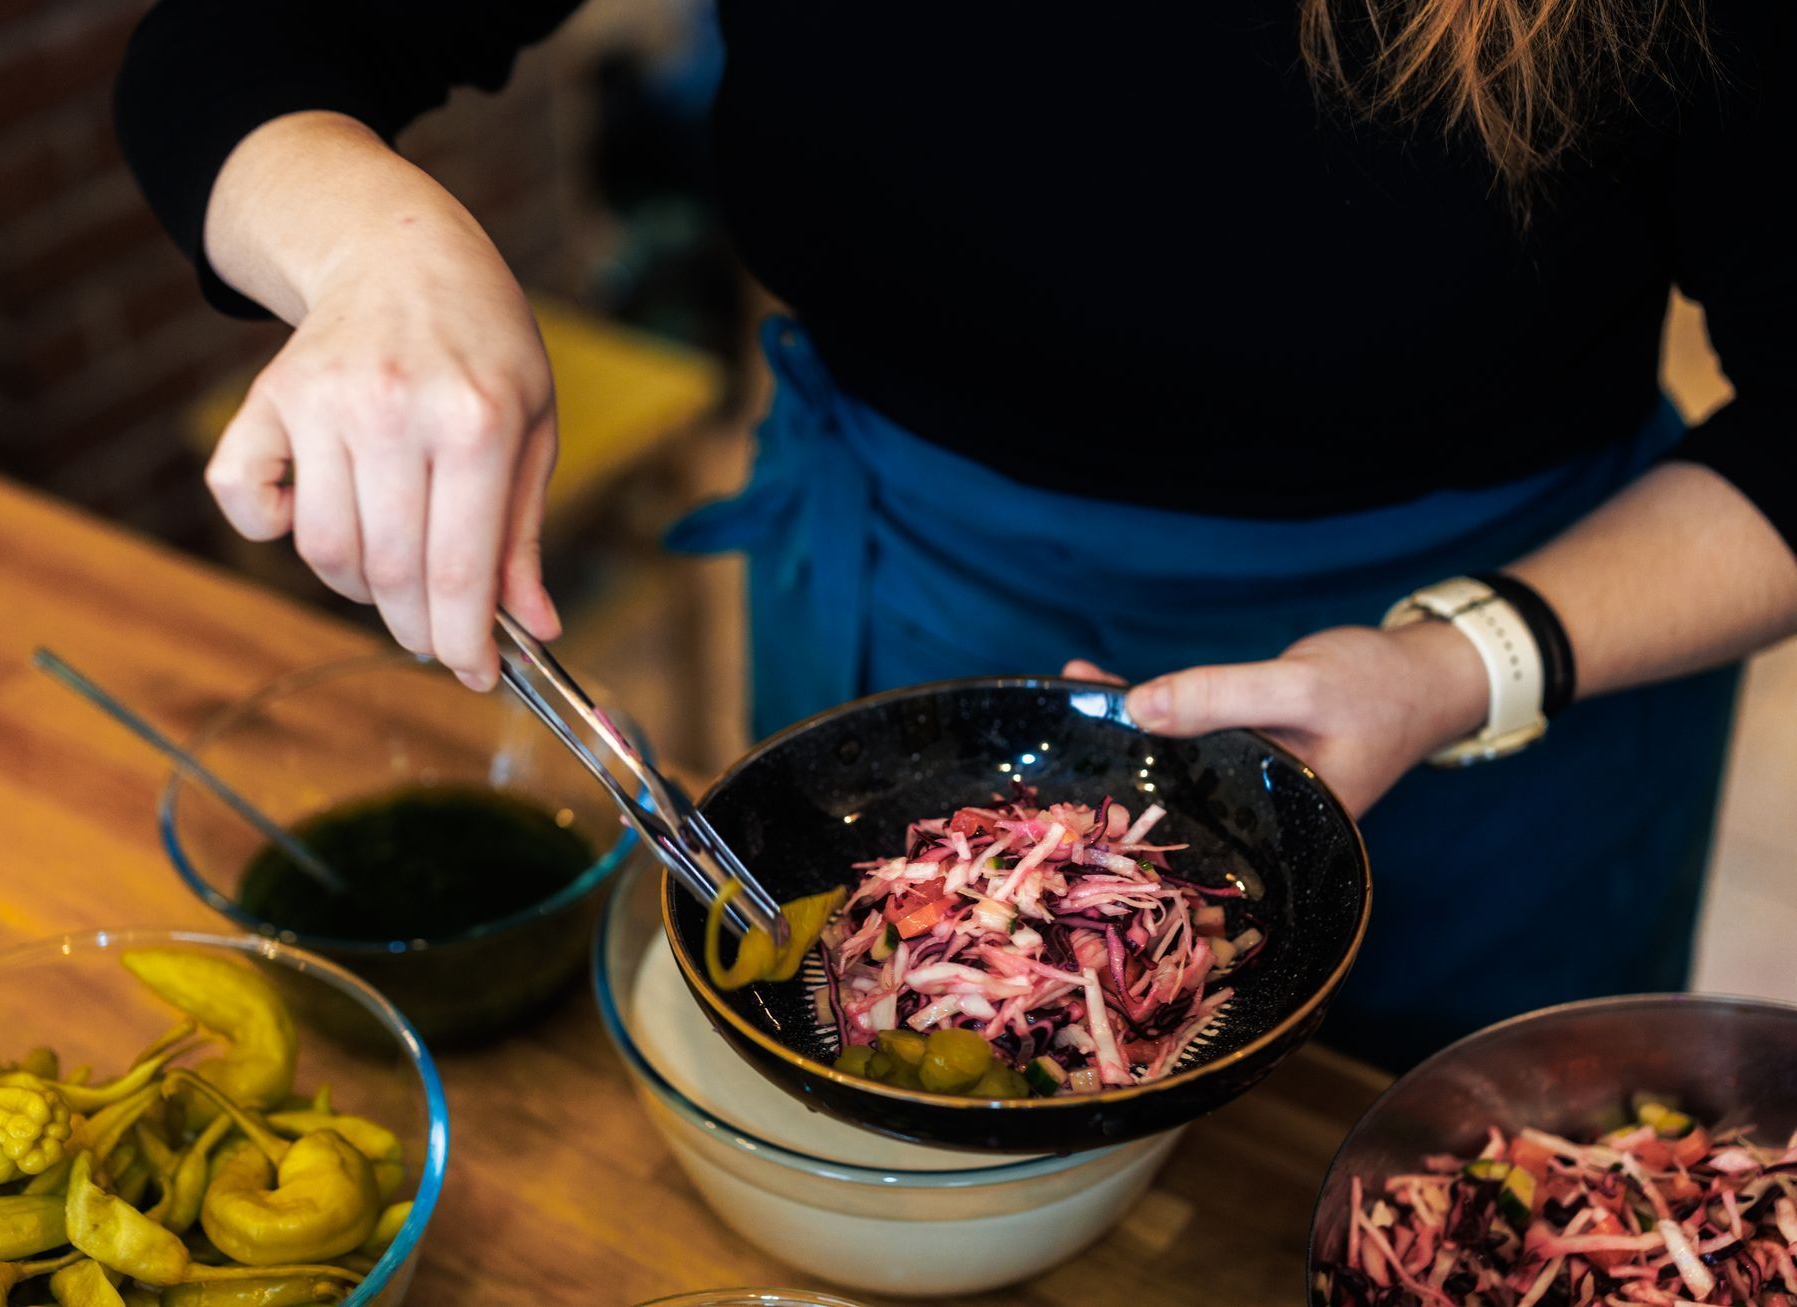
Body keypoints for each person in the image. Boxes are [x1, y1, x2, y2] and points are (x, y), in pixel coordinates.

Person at [115, 2, 1797, 1068]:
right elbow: (237, 45)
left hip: (1505, 699)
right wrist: (377, 253)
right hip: (914, 615)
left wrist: (1458, 667)